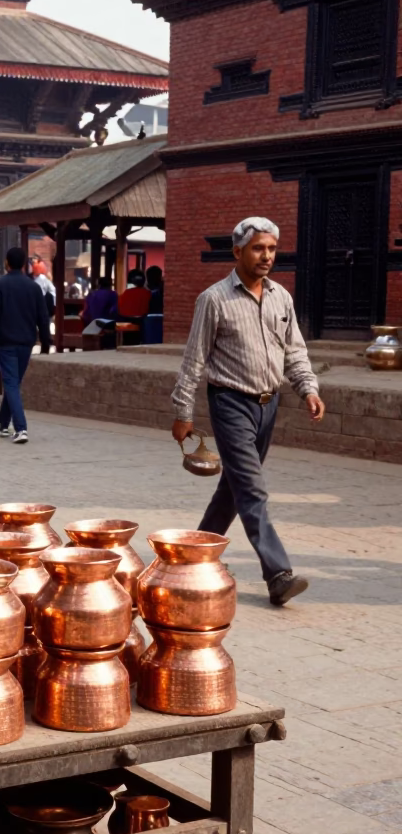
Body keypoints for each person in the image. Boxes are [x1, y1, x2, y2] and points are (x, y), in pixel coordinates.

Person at [171, 217, 325, 607]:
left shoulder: (281, 298)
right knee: (253, 489)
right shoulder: (214, 299)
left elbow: (295, 350)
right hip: (229, 403)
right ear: (237, 251)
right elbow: (194, 359)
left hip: (268, 404)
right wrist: (183, 410)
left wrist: (307, 388)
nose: (267, 256)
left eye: (272, 249)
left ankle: (192, 558)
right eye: (259, 248)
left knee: (234, 489)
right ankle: (278, 574)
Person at [0, 246, 51, 445]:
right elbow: (43, 318)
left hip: (5, 341)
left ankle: (21, 428)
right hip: (26, 343)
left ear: (7, 263)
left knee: (10, 383)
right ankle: (3, 423)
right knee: (13, 383)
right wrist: (46, 342)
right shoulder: (34, 287)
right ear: (24, 265)